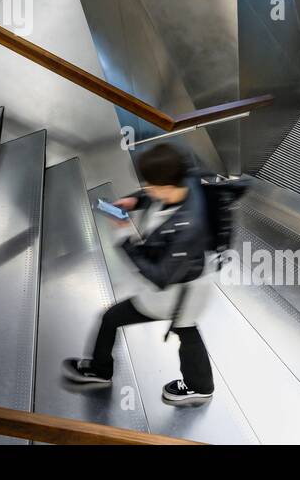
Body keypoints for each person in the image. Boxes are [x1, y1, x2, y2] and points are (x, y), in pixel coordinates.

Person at [62, 143, 216, 407]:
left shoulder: (188, 227)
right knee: (186, 329)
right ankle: (200, 386)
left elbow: (157, 275)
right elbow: (156, 195)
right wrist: (137, 200)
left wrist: (124, 234)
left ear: (167, 185)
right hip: (189, 283)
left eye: (151, 186)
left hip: (175, 291)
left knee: (113, 318)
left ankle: (100, 371)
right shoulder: (184, 181)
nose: (149, 189)